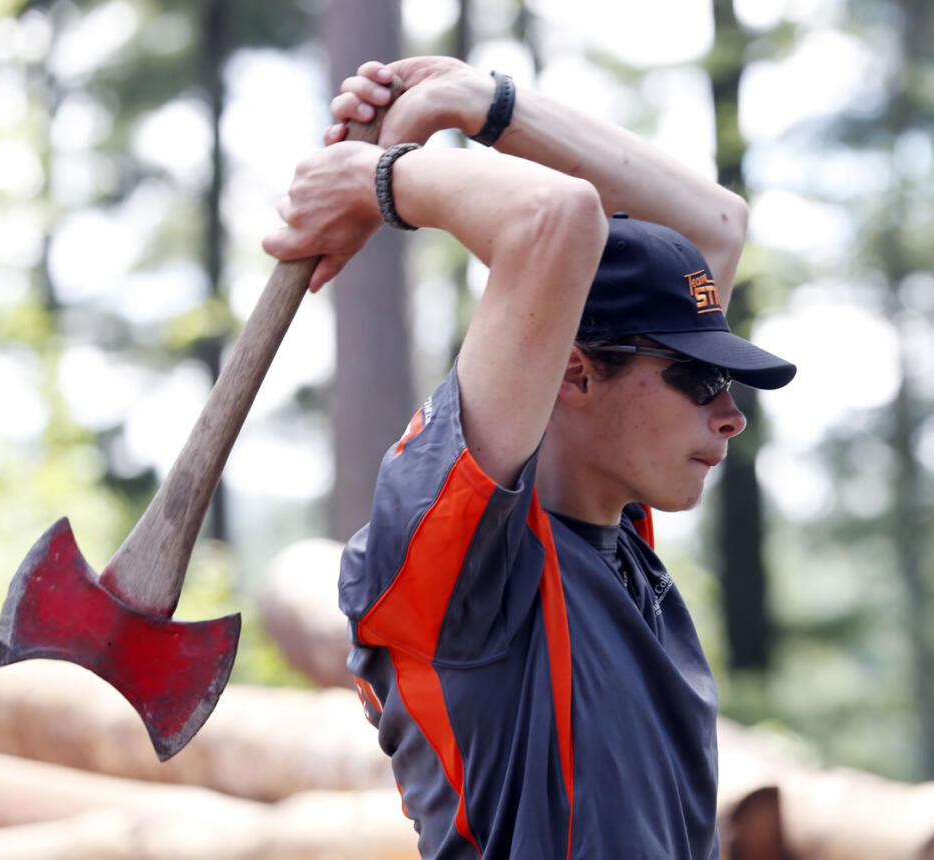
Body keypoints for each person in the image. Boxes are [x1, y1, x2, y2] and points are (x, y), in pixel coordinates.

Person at [263, 55, 796, 860]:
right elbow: (554, 219)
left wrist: (476, 101)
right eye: (698, 378)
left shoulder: (613, 530)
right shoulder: (470, 565)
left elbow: (715, 225)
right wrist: (376, 182)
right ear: (575, 372)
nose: (730, 418)